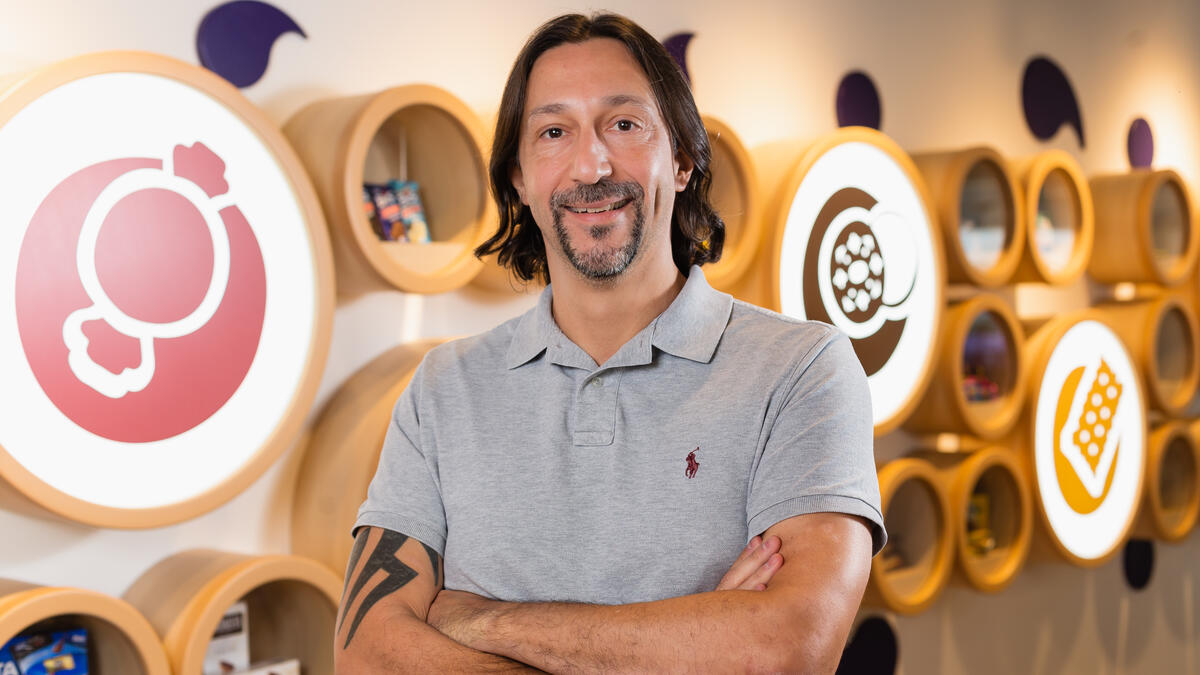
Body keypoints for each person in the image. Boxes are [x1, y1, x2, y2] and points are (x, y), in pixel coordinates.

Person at [336, 12, 885, 673]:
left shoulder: (802, 371)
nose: (590, 165)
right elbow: (366, 655)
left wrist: (480, 620)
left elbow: (786, 649)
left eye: (624, 125)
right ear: (519, 178)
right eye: (553, 132)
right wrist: (696, 640)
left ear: (680, 159)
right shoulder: (442, 387)